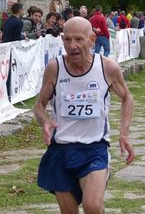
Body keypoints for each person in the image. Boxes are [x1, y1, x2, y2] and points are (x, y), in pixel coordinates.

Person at [34, 16, 135, 214]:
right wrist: (44, 121)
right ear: (62, 39)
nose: (72, 46)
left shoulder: (107, 67)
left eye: (79, 39)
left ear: (92, 39)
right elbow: (39, 105)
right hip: (61, 151)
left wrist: (124, 134)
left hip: (94, 149)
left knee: (93, 206)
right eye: (68, 40)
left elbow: (127, 98)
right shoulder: (55, 68)